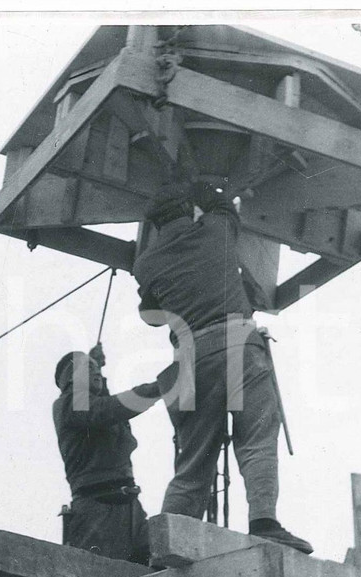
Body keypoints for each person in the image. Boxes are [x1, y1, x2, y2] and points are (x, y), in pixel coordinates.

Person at [131, 181, 314, 555]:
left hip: (189, 361)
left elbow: (150, 316)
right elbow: (225, 210)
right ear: (189, 212)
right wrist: (203, 186)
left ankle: (168, 543)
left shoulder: (145, 263)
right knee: (257, 438)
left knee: (193, 460)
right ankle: (264, 523)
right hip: (237, 346)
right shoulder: (215, 232)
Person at [38, 344, 162, 577]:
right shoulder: (68, 406)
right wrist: (154, 389)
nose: (96, 372)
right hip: (96, 511)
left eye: (98, 369)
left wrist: (96, 373)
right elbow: (105, 411)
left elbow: (107, 412)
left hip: (129, 509)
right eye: (86, 369)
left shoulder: (88, 405)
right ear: (69, 380)